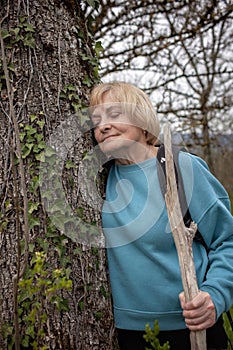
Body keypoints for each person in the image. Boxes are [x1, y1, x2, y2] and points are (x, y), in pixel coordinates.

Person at [89, 81, 233, 350]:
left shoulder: (182, 168)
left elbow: (227, 241)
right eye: (96, 121)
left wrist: (215, 295)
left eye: (115, 114)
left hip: (190, 329)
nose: (103, 126)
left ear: (141, 119)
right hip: (124, 334)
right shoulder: (100, 177)